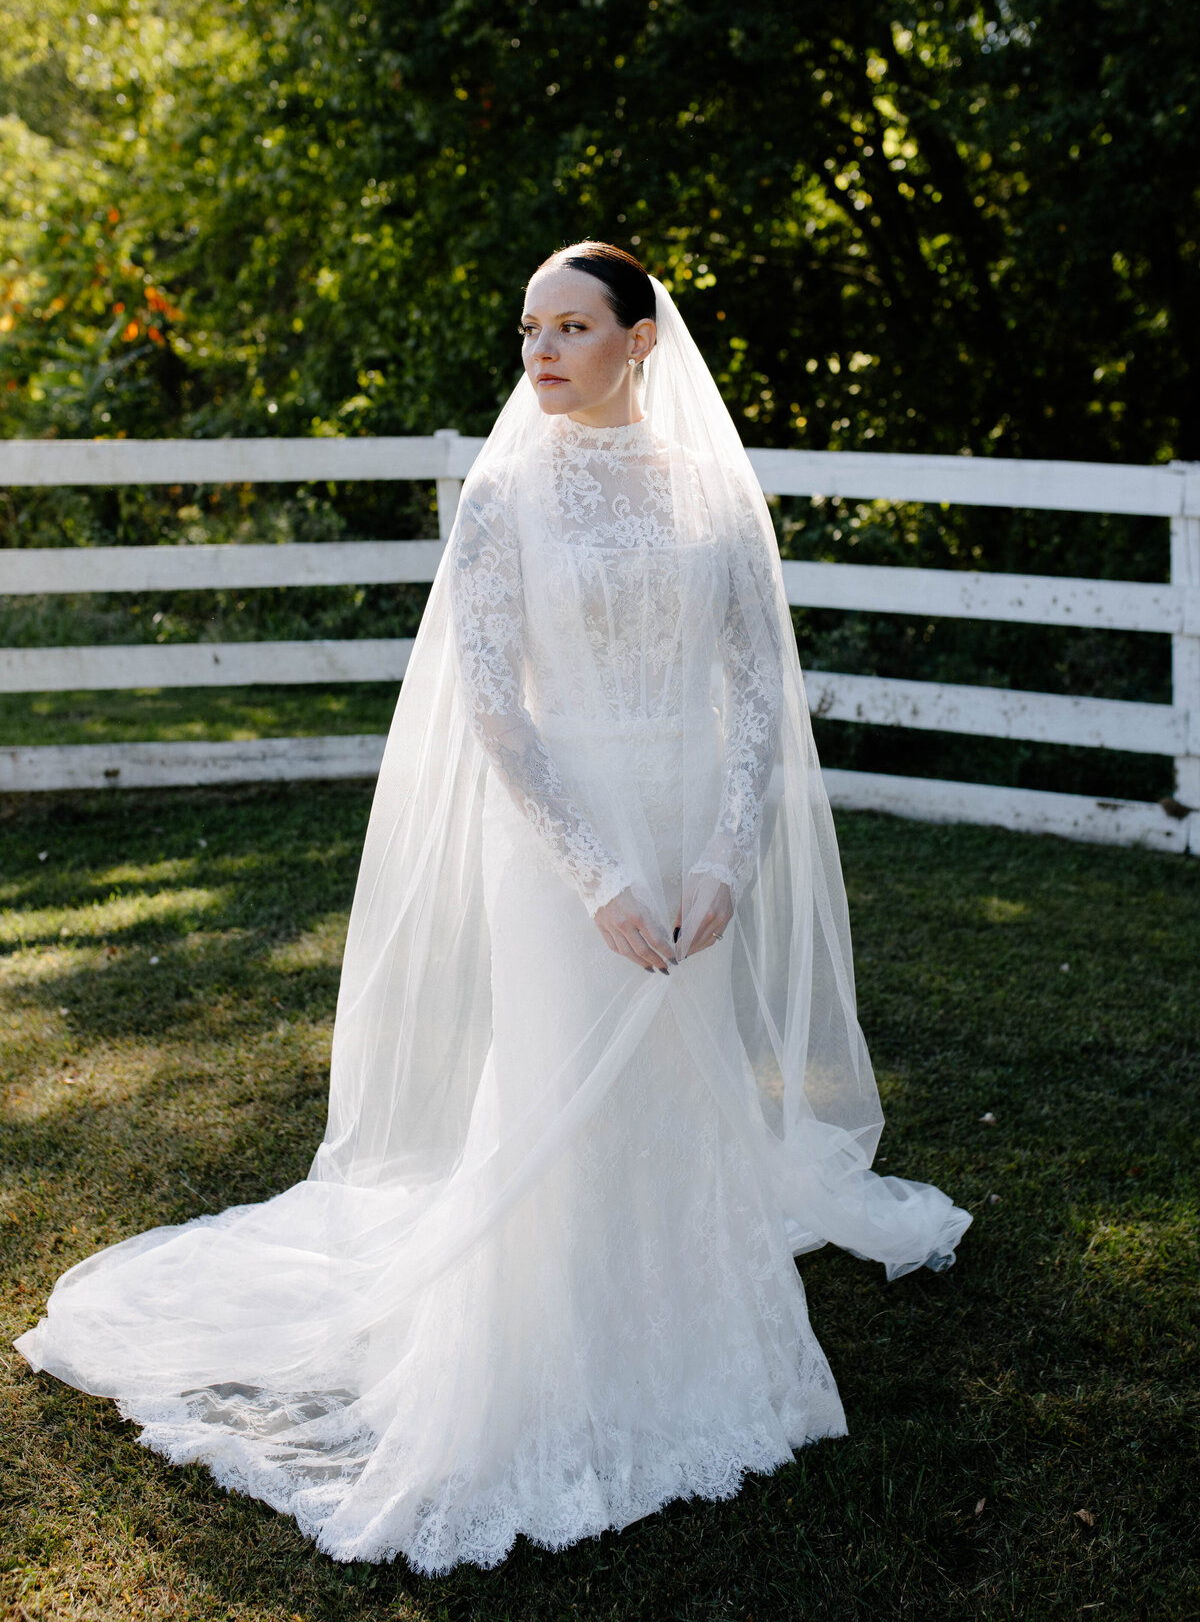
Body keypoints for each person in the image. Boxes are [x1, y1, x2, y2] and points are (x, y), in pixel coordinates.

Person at [16, 241, 970, 1575]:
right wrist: (604, 878)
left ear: (642, 339)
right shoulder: (505, 495)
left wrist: (723, 861)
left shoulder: (708, 487)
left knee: (683, 1093)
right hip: (562, 843)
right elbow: (497, 712)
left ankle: (688, 1337)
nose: (543, 351)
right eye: (531, 328)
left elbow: (756, 689)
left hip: (691, 822)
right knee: (558, 1088)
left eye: (573, 326)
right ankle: (534, 1362)